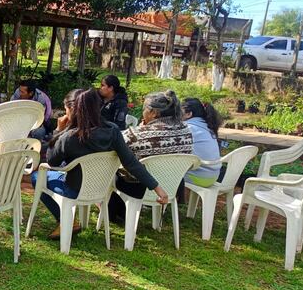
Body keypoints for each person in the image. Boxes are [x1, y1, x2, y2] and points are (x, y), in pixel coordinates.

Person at [33, 89, 168, 239]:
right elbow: (130, 162)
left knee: (36, 176)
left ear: (71, 109)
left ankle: (65, 220)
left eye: (66, 109)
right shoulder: (113, 131)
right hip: (102, 189)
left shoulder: (69, 137)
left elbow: (52, 161)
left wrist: (58, 130)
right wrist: (157, 188)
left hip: (75, 189)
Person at [108, 90, 193, 222]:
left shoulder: (135, 134)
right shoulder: (186, 130)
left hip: (140, 188)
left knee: (112, 170)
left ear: (154, 113)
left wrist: (139, 129)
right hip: (172, 184)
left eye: (144, 109)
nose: (142, 112)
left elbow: (117, 145)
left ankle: (111, 211)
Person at [182, 97, 222, 187]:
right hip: (213, 176)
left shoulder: (188, 128)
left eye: (179, 111)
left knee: (167, 172)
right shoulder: (207, 126)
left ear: (188, 114)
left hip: (198, 178)